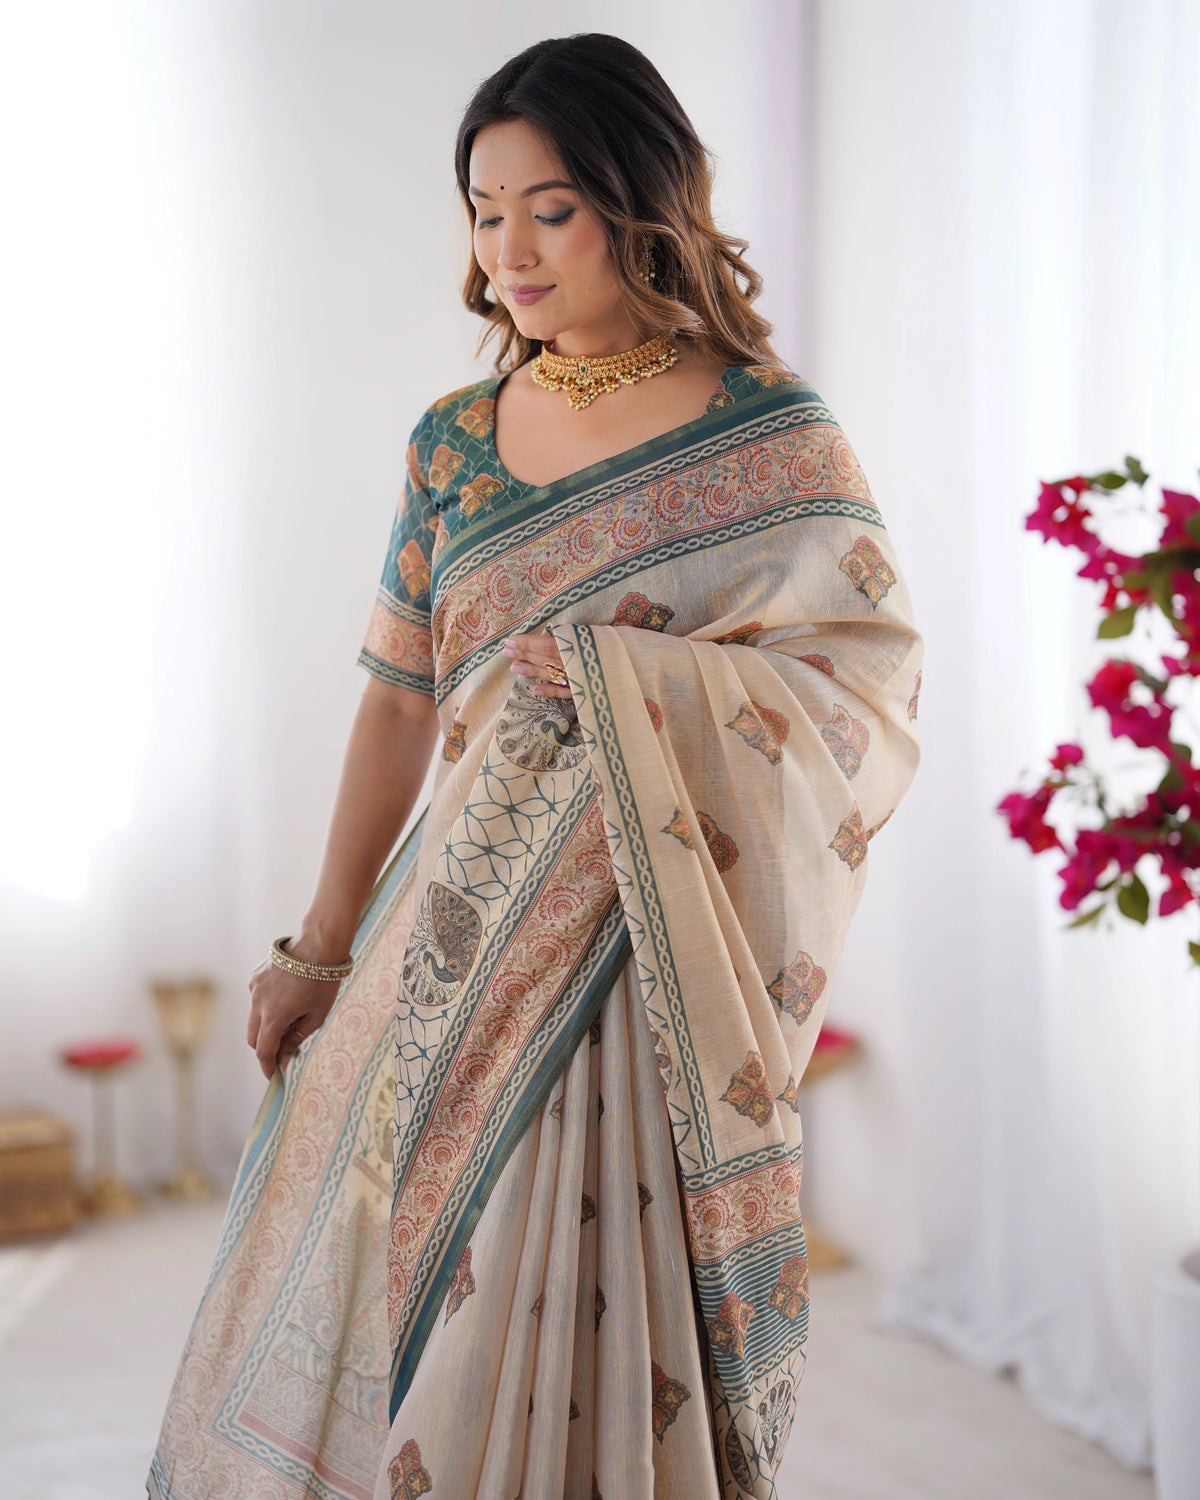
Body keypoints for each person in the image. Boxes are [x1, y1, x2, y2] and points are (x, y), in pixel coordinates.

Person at [148, 31, 923, 1500]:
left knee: (577, 1309)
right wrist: (316, 949)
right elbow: (393, 708)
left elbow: (863, 689)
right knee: (413, 1310)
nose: (505, 246)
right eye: (482, 207)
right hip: (456, 934)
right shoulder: (454, 445)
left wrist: (638, 685)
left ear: (641, 202)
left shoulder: (776, 440)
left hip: (646, 967)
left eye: (546, 206)